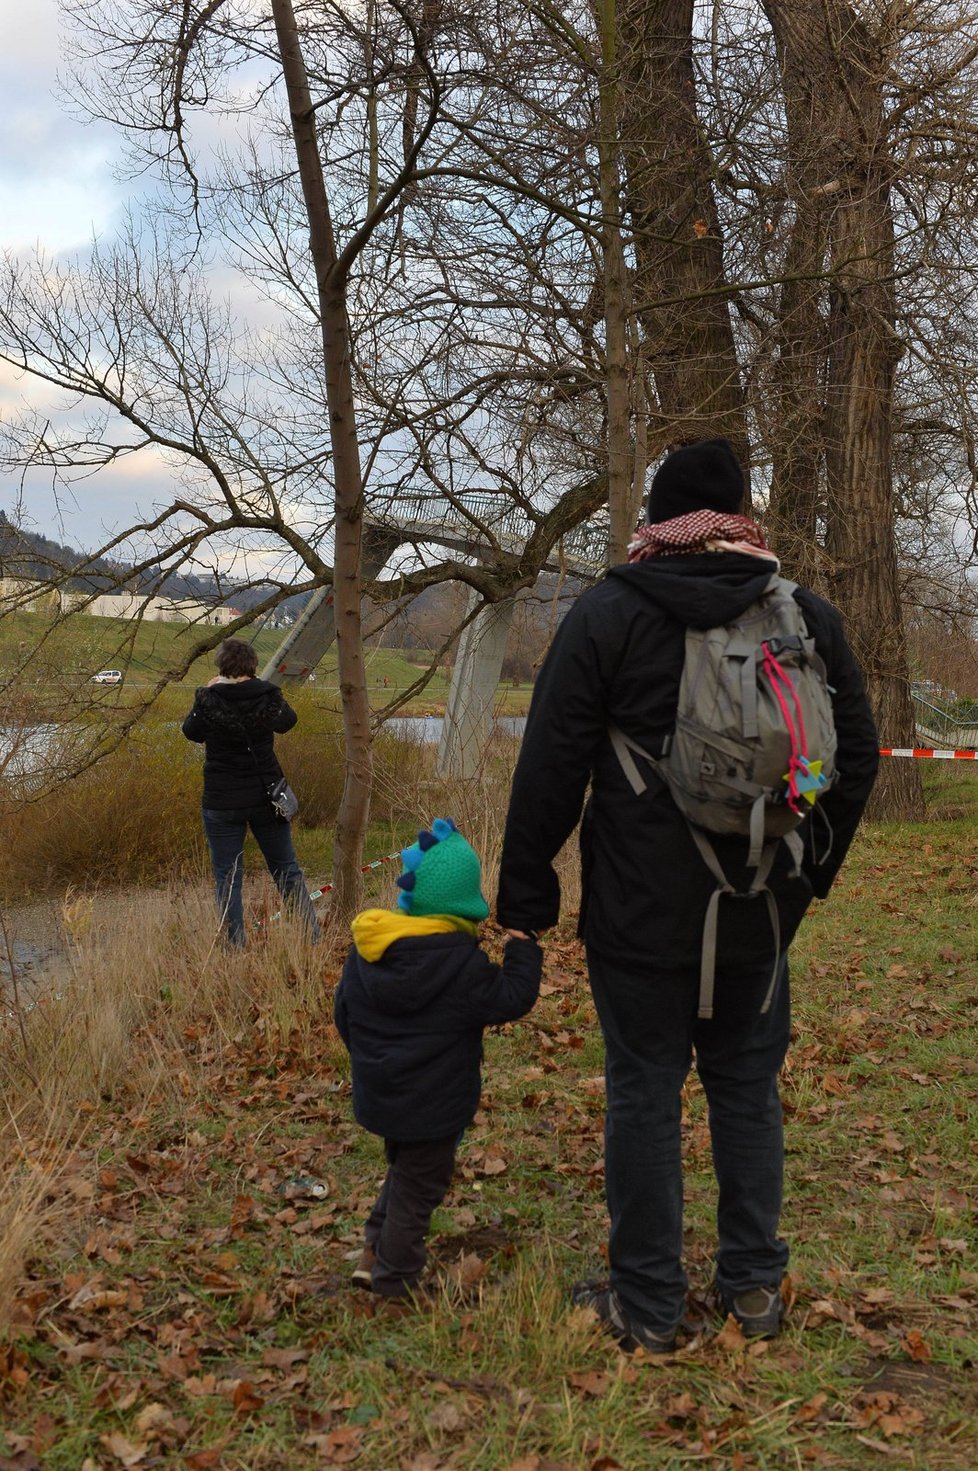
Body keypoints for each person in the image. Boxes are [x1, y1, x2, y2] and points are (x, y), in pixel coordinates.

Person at [496, 438, 879, 1353]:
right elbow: (856, 757)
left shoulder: (609, 613)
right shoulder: (802, 615)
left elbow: (548, 763)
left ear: (659, 518)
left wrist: (526, 895)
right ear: (741, 516)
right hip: (757, 909)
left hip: (637, 916)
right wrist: (808, 882)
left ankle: (649, 1305)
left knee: (643, 1090)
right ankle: (753, 1290)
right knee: (747, 1088)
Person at [335, 818, 541, 1298]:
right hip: (433, 1106)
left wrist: (375, 1062)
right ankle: (395, 1278)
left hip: (381, 1096)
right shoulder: (461, 965)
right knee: (419, 1188)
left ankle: (373, 1252)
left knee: (404, 1174)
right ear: (464, 903)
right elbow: (512, 997)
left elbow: (345, 1015)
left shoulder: (368, 951)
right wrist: (523, 948)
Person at [182, 637, 321, 946]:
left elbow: (190, 732)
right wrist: (260, 688)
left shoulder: (208, 699)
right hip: (266, 798)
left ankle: (234, 948)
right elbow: (288, 722)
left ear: (221, 666)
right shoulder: (268, 696)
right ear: (253, 666)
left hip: (222, 800)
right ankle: (311, 938)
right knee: (286, 869)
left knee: (227, 879)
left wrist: (207, 691)